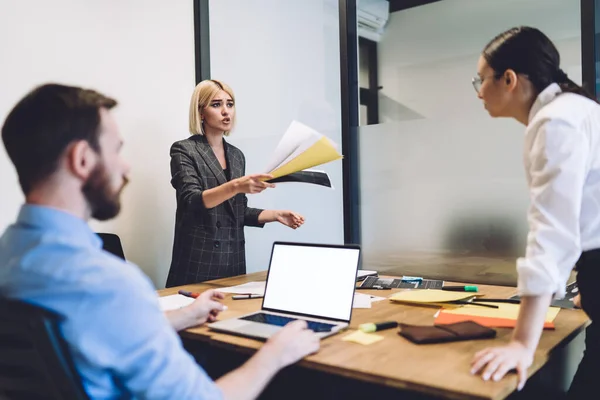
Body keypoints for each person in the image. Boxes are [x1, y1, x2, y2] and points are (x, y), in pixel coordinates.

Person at [0, 83, 319, 399]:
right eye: (116, 150)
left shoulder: (10, 258)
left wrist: (184, 315)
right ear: (82, 159)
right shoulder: (110, 284)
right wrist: (276, 353)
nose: (125, 167)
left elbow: (102, 332)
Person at [468, 26, 600, 397]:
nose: (479, 92)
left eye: (481, 79)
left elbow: (551, 231)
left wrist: (521, 344)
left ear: (508, 79)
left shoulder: (555, 121)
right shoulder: (577, 109)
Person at [166, 79, 305, 287]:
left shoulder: (236, 155)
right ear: (200, 112)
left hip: (233, 262)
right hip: (198, 265)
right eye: (216, 104)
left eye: (229, 104)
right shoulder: (184, 150)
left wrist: (276, 215)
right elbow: (191, 201)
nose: (226, 111)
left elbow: (237, 211)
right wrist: (236, 186)